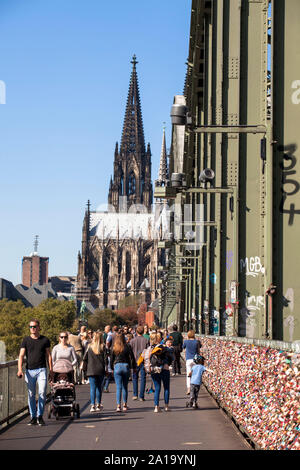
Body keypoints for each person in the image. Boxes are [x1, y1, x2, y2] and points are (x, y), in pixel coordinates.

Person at [17, 319, 53, 426]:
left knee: (42, 392)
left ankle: (40, 416)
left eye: (34, 326)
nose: (32, 329)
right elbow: (21, 356)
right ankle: (33, 416)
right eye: (31, 327)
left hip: (41, 369)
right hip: (29, 371)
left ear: (39, 327)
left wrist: (51, 370)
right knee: (31, 394)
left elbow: (48, 356)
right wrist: (19, 369)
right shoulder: (26, 340)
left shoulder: (45, 340)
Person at [139, 332, 173, 413]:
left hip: (153, 369)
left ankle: (156, 407)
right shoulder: (163, 347)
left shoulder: (148, 349)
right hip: (164, 369)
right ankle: (166, 406)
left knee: (157, 388)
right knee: (166, 388)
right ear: (158, 339)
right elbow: (171, 357)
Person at [110, 333, 137, 412]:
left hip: (117, 366)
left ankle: (118, 405)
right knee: (125, 386)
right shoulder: (127, 346)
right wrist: (134, 367)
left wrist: (112, 368)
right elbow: (132, 357)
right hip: (125, 366)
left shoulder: (114, 347)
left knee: (118, 387)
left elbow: (111, 358)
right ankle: (125, 404)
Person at [82, 332, 107, 412]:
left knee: (92, 388)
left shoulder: (89, 347)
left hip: (91, 369)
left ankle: (92, 405)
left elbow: (84, 358)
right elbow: (106, 359)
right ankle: (98, 404)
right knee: (99, 388)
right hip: (100, 369)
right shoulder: (103, 347)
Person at [130, 326, 149, 401]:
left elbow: (130, 352)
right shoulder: (146, 340)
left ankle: (135, 394)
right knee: (143, 378)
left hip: (135, 360)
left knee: (135, 378)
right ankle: (141, 396)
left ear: (136, 332)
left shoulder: (132, 341)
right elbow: (148, 351)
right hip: (143, 360)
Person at [183, 330, 202, 395]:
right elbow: (199, 350)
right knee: (195, 375)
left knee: (188, 375)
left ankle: (188, 389)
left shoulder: (186, 341)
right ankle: (195, 388)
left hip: (188, 359)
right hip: (195, 360)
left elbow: (183, 348)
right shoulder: (197, 342)